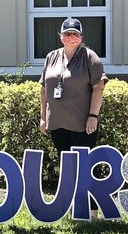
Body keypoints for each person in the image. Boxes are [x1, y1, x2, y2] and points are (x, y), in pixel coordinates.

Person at [39, 17, 108, 216]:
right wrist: (43, 117)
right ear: (61, 37)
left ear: (80, 37)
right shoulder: (51, 56)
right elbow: (44, 89)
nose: (71, 37)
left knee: (86, 168)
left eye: (75, 34)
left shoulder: (90, 57)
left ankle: (93, 211)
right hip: (58, 123)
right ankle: (73, 208)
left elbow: (98, 87)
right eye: (67, 34)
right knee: (68, 169)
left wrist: (93, 116)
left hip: (82, 125)